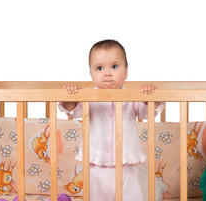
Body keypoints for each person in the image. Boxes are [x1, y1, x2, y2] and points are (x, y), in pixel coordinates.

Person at [58, 39, 163, 201]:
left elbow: (147, 112)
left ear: (126, 71)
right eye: (99, 68)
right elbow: (73, 111)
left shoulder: (133, 96)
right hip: (96, 164)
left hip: (126, 163)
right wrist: (70, 96)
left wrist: (150, 97)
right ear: (91, 73)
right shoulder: (87, 97)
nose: (107, 73)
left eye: (114, 66)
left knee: (132, 197)